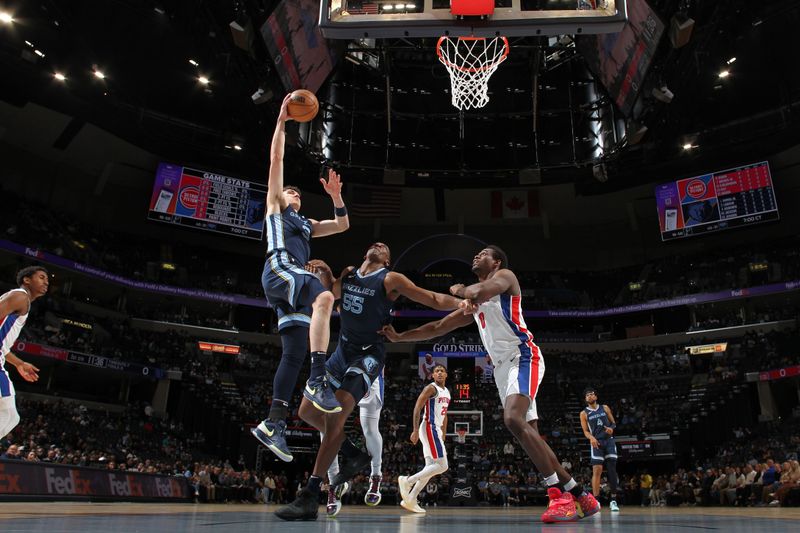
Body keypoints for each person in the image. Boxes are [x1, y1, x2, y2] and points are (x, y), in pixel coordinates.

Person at [382, 245, 600, 523]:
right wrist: (399, 338)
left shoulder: (505, 278)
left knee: (511, 418)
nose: (476, 255)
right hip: (502, 369)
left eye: (483, 253)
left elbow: (473, 292)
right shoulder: (476, 304)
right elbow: (437, 328)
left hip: (523, 357)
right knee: (531, 438)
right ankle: (581, 494)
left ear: (496, 262)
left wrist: (459, 290)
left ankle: (559, 496)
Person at [274, 243, 463, 520]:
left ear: (387, 260)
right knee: (306, 411)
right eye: (375, 244)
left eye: (385, 247)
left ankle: (310, 494)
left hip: (368, 355)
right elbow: (330, 292)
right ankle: (352, 452)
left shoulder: (390, 279)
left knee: (335, 418)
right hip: (341, 351)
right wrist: (324, 272)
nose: (379, 245)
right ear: (365, 253)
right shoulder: (350, 273)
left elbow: (432, 299)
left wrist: (461, 302)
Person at [251, 93, 351, 462]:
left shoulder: (307, 224)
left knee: (292, 353)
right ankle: (318, 377)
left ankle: (274, 421)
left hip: (287, 285)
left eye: (295, 190)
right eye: (288, 189)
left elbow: (342, 225)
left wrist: (337, 196)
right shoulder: (276, 207)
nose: (291, 191)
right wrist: (281, 121)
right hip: (280, 268)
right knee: (325, 297)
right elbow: (276, 159)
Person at [1, 266, 48, 440]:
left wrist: (19, 363)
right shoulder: (20, 296)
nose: (46, 282)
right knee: (8, 415)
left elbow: (3, 347)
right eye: (41, 277)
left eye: (47, 280)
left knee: (10, 416)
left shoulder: (21, 300)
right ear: (27, 280)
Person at [398, 364, 451, 513]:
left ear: (446, 375)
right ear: (432, 375)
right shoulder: (431, 388)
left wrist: (444, 432)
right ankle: (407, 481)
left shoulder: (446, 392)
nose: (439, 373)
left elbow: (444, 414)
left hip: (436, 430)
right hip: (429, 427)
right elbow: (417, 407)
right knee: (443, 465)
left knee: (430, 468)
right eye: (436, 371)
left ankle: (411, 499)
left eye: (442, 371)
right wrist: (415, 430)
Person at [579, 388, 620, 512]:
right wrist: (591, 437)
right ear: (586, 399)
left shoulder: (605, 408)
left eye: (592, 394)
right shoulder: (584, 413)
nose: (590, 396)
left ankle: (613, 500)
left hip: (609, 441)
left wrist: (611, 429)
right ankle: (596, 501)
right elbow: (585, 431)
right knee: (597, 470)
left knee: (612, 469)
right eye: (587, 395)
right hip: (596, 442)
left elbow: (613, 423)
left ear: (596, 397)